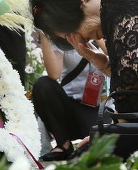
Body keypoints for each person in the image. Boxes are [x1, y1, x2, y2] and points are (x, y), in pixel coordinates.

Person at [33, 33, 106, 161]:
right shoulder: (64, 37)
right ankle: (64, 145)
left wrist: (95, 33)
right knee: (43, 85)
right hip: (70, 104)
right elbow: (54, 74)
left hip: (97, 108)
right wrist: (45, 33)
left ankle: (86, 144)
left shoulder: (101, 31)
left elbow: (115, 54)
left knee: (97, 148)